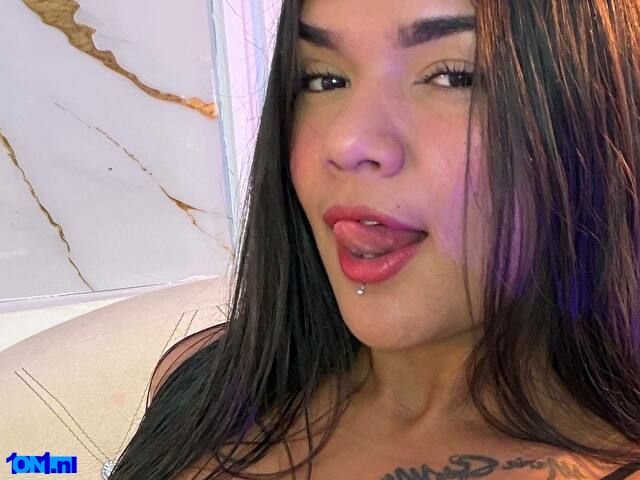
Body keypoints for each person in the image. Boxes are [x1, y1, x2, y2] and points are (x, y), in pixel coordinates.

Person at [108, 0, 640, 478]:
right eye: (323, 80)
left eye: (453, 76)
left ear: (590, 115)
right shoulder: (204, 380)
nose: (346, 142)